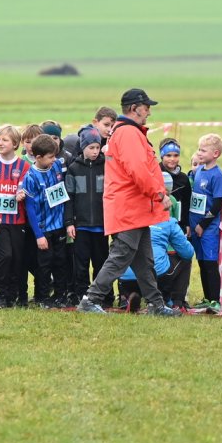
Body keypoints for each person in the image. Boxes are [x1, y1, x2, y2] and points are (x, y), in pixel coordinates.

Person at [77, 89, 178, 318]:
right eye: (146, 107)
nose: (149, 112)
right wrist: (159, 194)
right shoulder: (129, 133)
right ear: (134, 108)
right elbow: (138, 170)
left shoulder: (126, 132)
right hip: (129, 208)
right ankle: (91, 299)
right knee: (121, 255)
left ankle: (156, 304)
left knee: (144, 261)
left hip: (133, 209)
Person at [21, 134, 74, 308]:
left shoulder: (56, 165)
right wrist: (38, 235)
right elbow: (30, 208)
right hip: (43, 229)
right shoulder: (31, 177)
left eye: (55, 156)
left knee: (61, 261)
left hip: (59, 225)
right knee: (44, 265)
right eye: (50, 157)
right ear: (38, 157)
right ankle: (42, 297)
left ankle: (60, 295)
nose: (54, 160)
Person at [119, 202, 196, 311]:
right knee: (185, 259)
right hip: (155, 276)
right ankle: (176, 302)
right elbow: (188, 252)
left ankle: (127, 296)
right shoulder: (168, 221)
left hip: (125, 276)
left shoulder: (130, 217)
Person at [0, 124, 31, 309]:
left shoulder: (23, 166)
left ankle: (16, 294)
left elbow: (23, 186)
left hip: (18, 221)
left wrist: (21, 193)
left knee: (17, 258)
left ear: (15, 144)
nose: (0, 143)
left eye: (5, 140)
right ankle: (2, 295)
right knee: (5, 256)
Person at [188, 134, 222, 312]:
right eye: (198, 149)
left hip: (207, 228)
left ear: (215, 154)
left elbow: (217, 203)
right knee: (201, 262)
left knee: (210, 263)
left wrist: (203, 225)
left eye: (203, 150)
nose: (199, 153)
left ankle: (215, 300)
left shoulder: (217, 175)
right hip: (194, 226)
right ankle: (207, 298)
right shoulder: (199, 170)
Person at [65, 127, 108, 302]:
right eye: (91, 148)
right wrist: (69, 222)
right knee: (81, 264)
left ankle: (102, 296)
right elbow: (69, 198)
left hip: (101, 225)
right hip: (81, 226)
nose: (95, 151)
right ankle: (82, 295)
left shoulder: (106, 167)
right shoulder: (74, 169)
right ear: (83, 147)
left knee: (101, 263)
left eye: (97, 147)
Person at [159, 139, 191, 234]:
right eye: (168, 155)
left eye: (176, 155)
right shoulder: (155, 174)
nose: (172, 159)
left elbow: (186, 203)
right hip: (159, 224)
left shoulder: (183, 179)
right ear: (162, 156)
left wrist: (187, 224)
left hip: (178, 225)